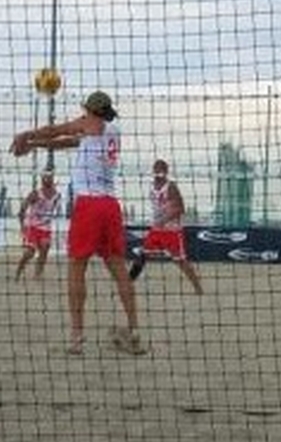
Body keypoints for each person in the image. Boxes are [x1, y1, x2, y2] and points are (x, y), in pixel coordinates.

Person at [10, 90, 145, 356]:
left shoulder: (90, 123)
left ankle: (76, 337)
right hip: (110, 206)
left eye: (85, 110)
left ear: (90, 110)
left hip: (89, 205)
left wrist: (26, 134)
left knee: (76, 269)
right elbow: (68, 141)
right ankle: (134, 331)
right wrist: (35, 144)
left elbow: (58, 129)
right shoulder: (110, 130)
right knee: (119, 270)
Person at [129, 159, 203, 294]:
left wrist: (164, 220)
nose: (158, 172)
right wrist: (159, 222)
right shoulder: (151, 186)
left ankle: (197, 286)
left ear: (166, 171)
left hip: (171, 230)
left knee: (180, 261)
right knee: (143, 255)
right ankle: (128, 283)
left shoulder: (171, 187)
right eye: (156, 169)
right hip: (157, 229)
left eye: (160, 169)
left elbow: (180, 209)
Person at [13, 170, 60, 282]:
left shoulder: (57, 195)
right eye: (45, 178)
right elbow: (22, 209)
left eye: (49, 177)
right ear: (42, 180)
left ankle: (38, 274)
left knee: (44, 249)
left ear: (52, 179)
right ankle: (19, 271)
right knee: (30, 253)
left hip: (45, 228)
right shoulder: (35, 194)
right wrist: (22, 226)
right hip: (33, 227)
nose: (47, 180)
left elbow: (52, 210)